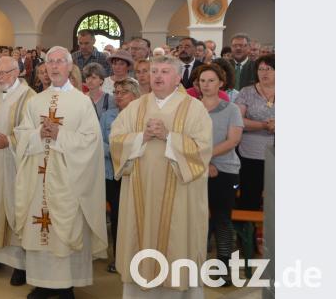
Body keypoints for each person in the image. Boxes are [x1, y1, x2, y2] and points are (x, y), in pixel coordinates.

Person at [110, 56, 212, 298]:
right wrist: (141, 138)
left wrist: (169, 136)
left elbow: (203, 149)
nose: (157, 76)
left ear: (178, 78)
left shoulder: (194, 108)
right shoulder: (135, 107)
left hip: (178, 194)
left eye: (165, 71)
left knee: (176, 245)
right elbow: (115, 140)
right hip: (140, 192)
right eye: (154, 71)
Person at [14, 47, 107, 299]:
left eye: (59, 62)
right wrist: (37, 134)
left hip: (68, 179)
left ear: (69, 67)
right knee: (40, 231)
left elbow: (91, 141)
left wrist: (59, 135)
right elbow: (21, 135)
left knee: (64, 230)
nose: (54, 67)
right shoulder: (35, 101)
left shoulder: (82, 101)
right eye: (50, 62)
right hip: (38, 178)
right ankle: (42, 282)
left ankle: (66, 284)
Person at [0, 57, 36, 286]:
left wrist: (11, 142)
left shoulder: (29, 97)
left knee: (14, 207)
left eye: (3, 73)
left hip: (16, 163)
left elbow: (32, 132)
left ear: (16, 73)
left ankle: (20, 265)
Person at [197, 64, 243, 285]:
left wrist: (207, 158)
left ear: (221, 83)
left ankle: (224, 268)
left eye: (211, 80)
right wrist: (203, 163)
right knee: (197, 219)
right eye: (203, 81)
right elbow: (184, 140)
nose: (206, 85)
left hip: (225, 170)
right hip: (196, 169)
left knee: (222, 218)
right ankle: (195, 264)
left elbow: (233, 140)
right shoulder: (192, 108)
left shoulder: (231, 109)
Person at [100, 78, 140, 274]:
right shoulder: (108, 116)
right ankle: (117, 257)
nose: (118, 95)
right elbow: (99, 143)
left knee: (130, 216)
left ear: (134, 94)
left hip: (133, 173)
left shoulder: (141, 115)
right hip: (110, 173)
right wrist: (118, 150)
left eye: (123, 92)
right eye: (116, 92)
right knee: (116, 217)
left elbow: (140, 145)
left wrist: (121, 149)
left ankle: (134, 256)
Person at [234, 54, 274, 211]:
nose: (264, 72)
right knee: (250, 198)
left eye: (269, 69)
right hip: (251, 154)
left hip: (276, 154)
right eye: (260, 69)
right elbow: (238, 120)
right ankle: (247, 233)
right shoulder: (246, 92)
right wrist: (264, 125)